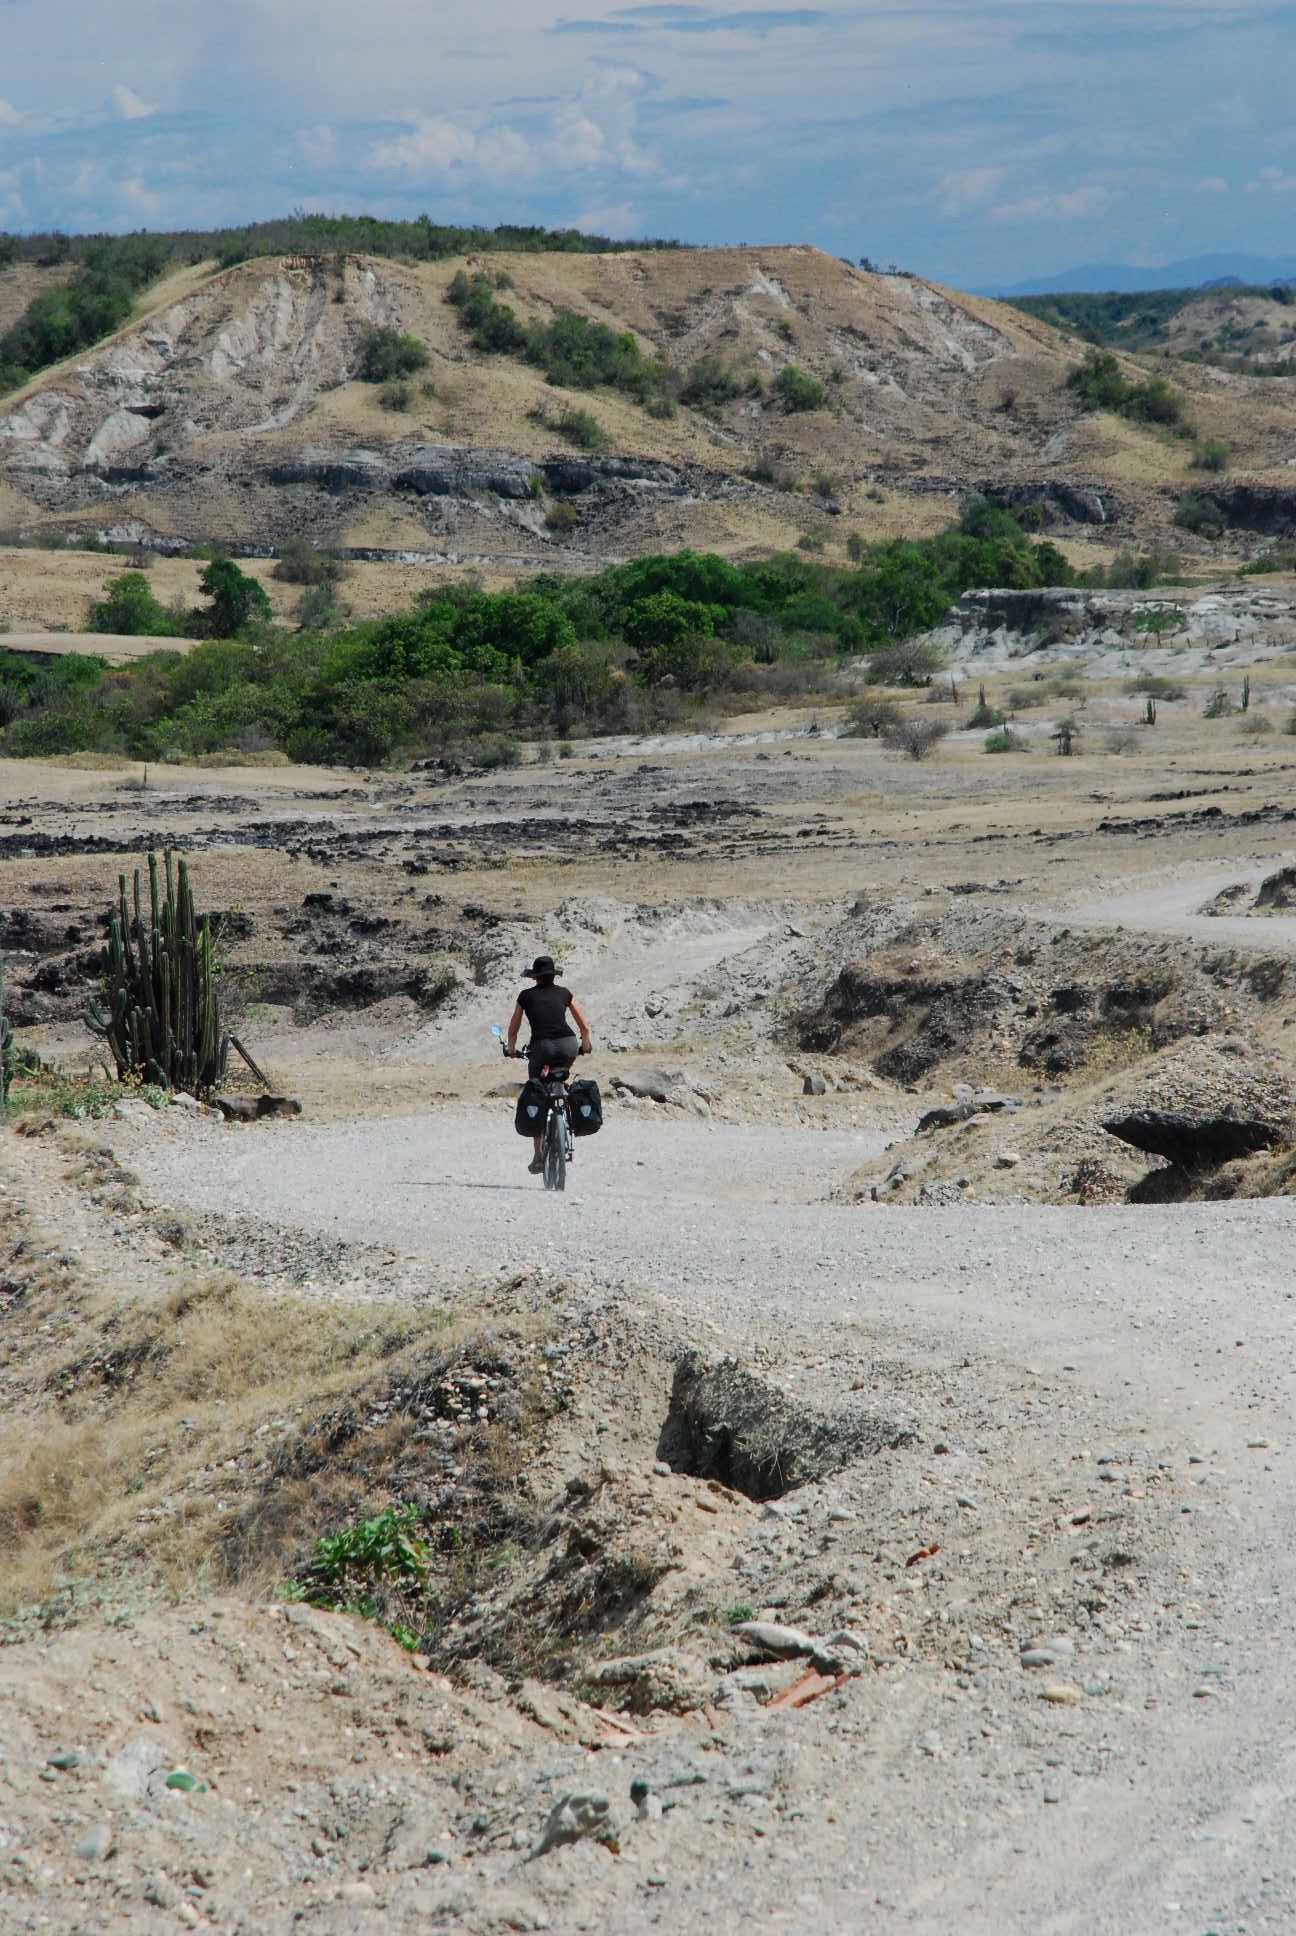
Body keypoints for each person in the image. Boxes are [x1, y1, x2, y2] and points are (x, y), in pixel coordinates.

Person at [506, 956, 591, 1174]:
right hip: (568, 1045)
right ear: (554, 976)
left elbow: (513, 1028)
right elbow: (584, 1026)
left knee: (538, 1091)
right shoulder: (565, 993)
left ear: (534, 977)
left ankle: (538, 1155)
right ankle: (567, 1116)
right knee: (562, 1075)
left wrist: (512, 1049)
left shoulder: (525, 996)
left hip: (541, 1048)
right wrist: (585, 1046)